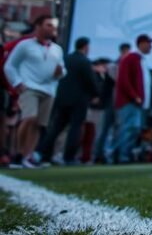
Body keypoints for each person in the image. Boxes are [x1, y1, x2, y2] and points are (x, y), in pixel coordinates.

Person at [4, 16, 64, 168]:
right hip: (29, 87)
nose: (52, 28)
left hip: (49, 90)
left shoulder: (57, 49)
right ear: (38, 26)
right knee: (29, 118)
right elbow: (10, 66)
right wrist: (17, 83)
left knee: (38, 124)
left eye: (53, 26)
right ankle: (17, 154)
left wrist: (60, 72)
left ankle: (27, 156)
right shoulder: (24, 45)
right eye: (48, 25)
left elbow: (63, 70)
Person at [37, 37, 97, 165]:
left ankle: (44, 154)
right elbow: (90, 81)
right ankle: (69, 157)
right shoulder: (84, 61)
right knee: (75, 128)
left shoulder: (66, 58)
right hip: (79, 101)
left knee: (56, 128)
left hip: (62, 99)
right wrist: (96, 94)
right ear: (85, 47)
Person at [113, 34, 152, 164]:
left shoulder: (141, 60)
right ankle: (121, 156)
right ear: (141, 44)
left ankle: (126, 154)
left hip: (138, 103)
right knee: (128, 128)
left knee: (134, 129)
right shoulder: (130, 58)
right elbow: (124, 80)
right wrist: (134, 96)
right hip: (129, 102)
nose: (151, 46)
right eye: (149, 43)